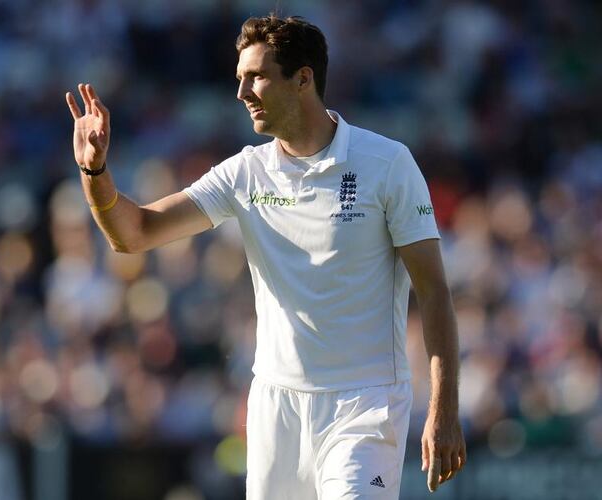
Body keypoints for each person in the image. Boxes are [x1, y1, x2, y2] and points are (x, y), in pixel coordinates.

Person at [65, 14, 465, 499]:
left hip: (366, 405)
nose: (242, 93)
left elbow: (434, 291)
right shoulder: (245, 173)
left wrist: (443, 410)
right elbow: (135, 233)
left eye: (256, 76)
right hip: (276, 408)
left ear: (303, 79)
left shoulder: (388, 163)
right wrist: (95, 171)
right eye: (239, 78)